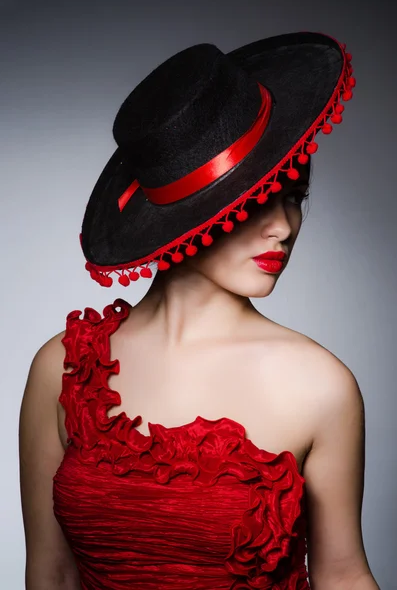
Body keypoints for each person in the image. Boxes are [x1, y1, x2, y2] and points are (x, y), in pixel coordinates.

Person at [19, 32, 380, 589]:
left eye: (296, 195)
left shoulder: (321, 387)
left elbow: (342, 575)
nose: (285, 227)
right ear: (191, 209)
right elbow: (48, 574)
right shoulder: (61, 369)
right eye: (260, 197)